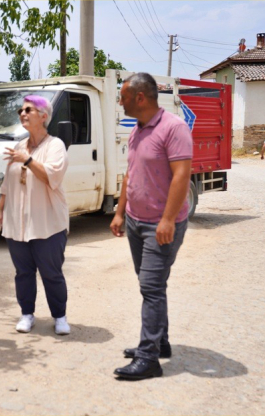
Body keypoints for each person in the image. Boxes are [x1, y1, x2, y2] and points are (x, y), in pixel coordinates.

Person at [110, 73, 193, 381]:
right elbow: (130, 174)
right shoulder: (138, 130)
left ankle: (149, 358)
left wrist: (168, 219)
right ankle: (160, 342)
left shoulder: (174, 128)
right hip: (135, 221)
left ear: (140, 98)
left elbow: (182, 175)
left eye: (123, 97)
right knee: (152, 286)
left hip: (160, 225)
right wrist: (120, 213)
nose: (121, 102)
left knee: (151, 287)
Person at [0, 95, 71, 336]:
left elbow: (52, 175)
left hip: (47, 222)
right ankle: (27, 314)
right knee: (23, 272)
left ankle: (59, 316)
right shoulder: (19, 147)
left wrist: (27, 160)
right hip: (17, 222)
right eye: (21, 110)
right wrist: (0, 211)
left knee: (52, 273)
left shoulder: (55, 145)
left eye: (28, 110)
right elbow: (8, 183)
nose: (22, 113)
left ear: (44, 116)